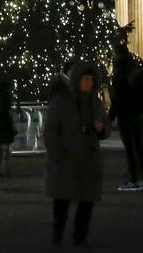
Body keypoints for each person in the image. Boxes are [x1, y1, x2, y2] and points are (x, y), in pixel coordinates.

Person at [44, 61, 108, 247]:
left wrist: (102, 128)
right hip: (66, 160)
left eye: (91, 79)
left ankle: (80, 237)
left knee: (87, 202)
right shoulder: (61, 101)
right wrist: (58, 155)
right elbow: (50, 131)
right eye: (85, 79)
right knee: (62, 202)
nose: (89, 82)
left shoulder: (95, 102)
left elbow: (106, 126)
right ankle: (58, 234)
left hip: (88, 159)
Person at [110, 46, 143, 190]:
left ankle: (134, 179)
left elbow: (118, 99)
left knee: (130, 148)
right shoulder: (140, 69)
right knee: (141, 146)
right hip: (141, 114)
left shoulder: (120, 73)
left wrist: (109, 117)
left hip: (126, 114)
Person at [0, 76, 17, 177]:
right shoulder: (5, 96)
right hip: (4, 123)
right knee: (5, 148)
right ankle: (4, 169)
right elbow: (4, 110)